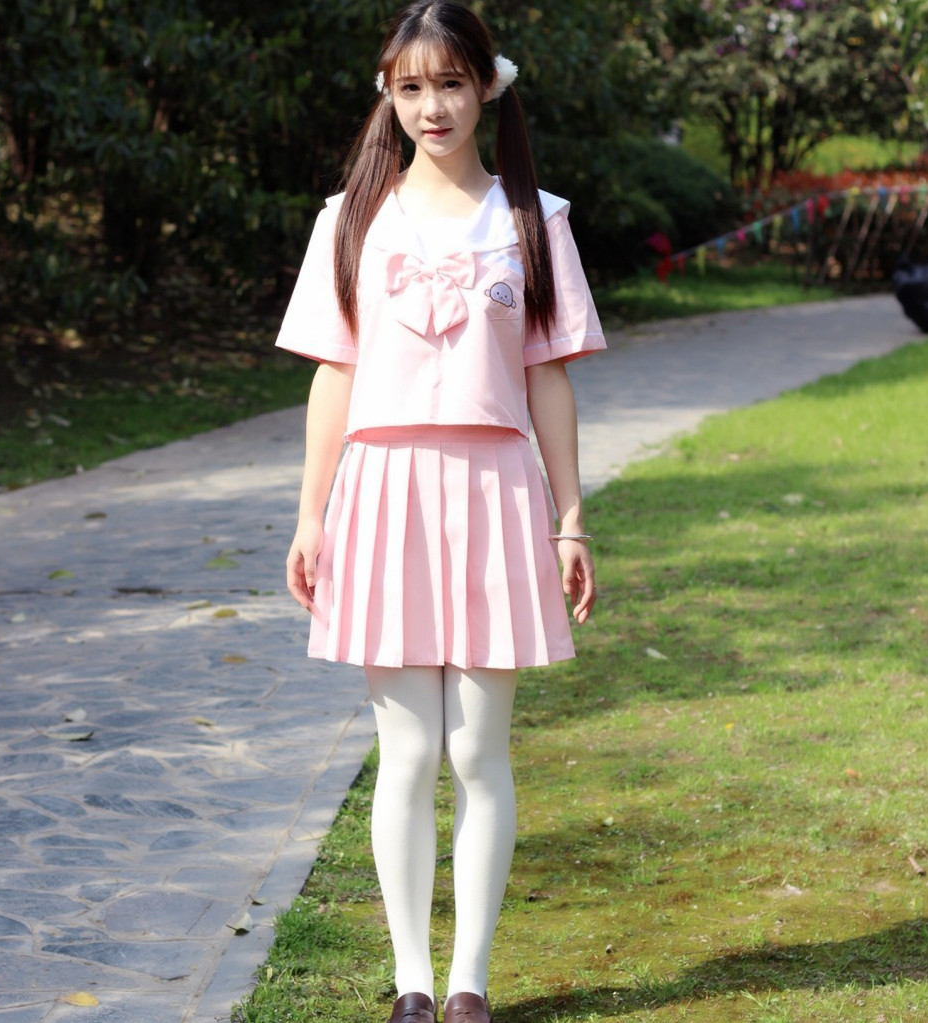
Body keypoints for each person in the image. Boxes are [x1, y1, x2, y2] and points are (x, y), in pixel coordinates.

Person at [276, 3, 605, 1020]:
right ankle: (413, 982)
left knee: (476, 750)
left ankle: (470, 982)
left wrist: (570, 518)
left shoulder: (532, 220)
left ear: (486, 89)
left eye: (452, 84)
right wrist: (311, 515)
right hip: (382, 493)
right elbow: (334, 374)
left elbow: (548, 377)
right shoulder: (349, 221)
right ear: (388, 93)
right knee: (410, 751)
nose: (433, 106)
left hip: (496, 492)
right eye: (412, 86)